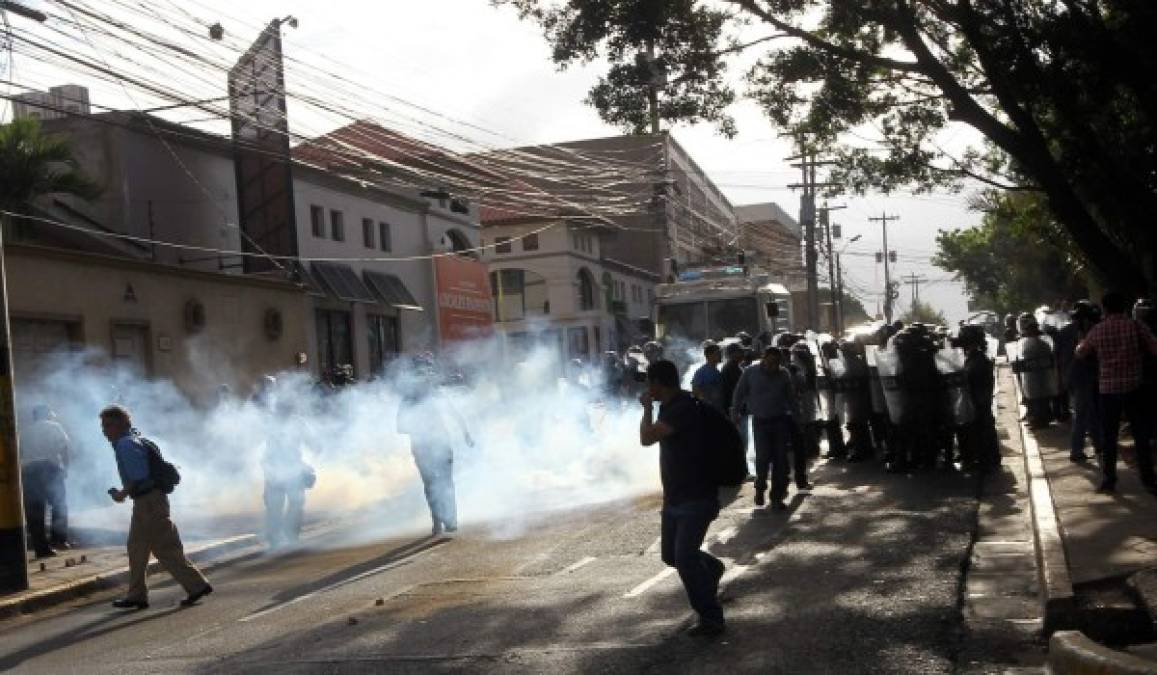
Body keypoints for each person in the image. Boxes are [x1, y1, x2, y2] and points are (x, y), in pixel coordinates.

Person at [638, 359, 725, 637]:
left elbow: (647, 438)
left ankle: (711, 617)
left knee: (685, 558)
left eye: (649, 382)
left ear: (657, 383)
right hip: (676, 498)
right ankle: (711, 568)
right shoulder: (673, 406)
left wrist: (647, 409)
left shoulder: (682, 409)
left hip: (695, 497)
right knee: (671, 556)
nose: (647, 388)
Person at [101, 405, 211, 610]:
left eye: (108, 425)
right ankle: (137, 595)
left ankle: (196, 585)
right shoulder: (138, 439)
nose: (104, 430)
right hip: (147, 502)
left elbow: (138, 476)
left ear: (121, 424)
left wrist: (121, 495)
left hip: (149, 503)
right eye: (103, 425)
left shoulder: (125, 444)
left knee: (165, 548)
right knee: (137, 548)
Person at [1076, 292, 1157, 493]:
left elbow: (1081, 352)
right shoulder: (1136, 326)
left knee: (1109, 437)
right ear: (1124, 307)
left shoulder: (1098, 330)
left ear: (1105, 308)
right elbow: (1154, 348)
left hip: (1108, 390)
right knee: (1141, 435)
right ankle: (1148, 478)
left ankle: (1109, 479)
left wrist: (1080, 342)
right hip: (1134, 388)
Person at [396, 355, 474, 535]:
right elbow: (400, 427)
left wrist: (466, 435)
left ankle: (450, 520)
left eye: (426, 373)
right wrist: (419, 427)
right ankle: (438, 520)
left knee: (445, 482)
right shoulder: (409, 399)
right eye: (420, 373)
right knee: (431, 484)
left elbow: (454, 414)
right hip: (422, 446)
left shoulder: (435, 394)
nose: (424, 377)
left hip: (441, 443)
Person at [731, 347, 799, 509]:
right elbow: (739, 393)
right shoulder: (750, 372)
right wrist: (735, 411)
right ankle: (760, 488)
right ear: (763, 359)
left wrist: (797, 417)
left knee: (780, 460)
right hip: (760, 422)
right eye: (770, 362)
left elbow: (791, 398)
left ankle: (777, 497)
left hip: (779, 421)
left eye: (776, 363)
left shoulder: (783, 375)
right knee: (762, 458)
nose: (772, 367)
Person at [262, 397, 314, 548]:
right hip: (274, 469)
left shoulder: (298, 423)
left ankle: (289, 534)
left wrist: (316, 446)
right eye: (282, 409)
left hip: (292, 469)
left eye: (287, 410)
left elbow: (311, 440)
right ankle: (275, 538)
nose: (285, 413)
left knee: (295, 502)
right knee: (275, 505)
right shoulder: (270, 423)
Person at [20, 405, 71, 557]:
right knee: (59, 504)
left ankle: (41, 549)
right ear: (47, 414)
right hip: (49, 468)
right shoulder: (55, 427)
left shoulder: (25, 432)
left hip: (28, 470)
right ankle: (59, 540)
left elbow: (20, 453)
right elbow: (64, 449)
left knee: (35, 510)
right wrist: (65, 468)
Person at [1060, 301, 1102, 462]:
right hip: (1083, 377)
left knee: (1090, 412)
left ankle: (1099, 443)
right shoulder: (1087, 332)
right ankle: (1076, 450)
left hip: (1071, 377)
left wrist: (1061, 378)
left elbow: (1058, 358)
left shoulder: (1063, 331)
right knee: (1082, 413)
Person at [959, 326, 1000, 472]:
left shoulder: (977, 360)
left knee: (980, 428)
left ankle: (985, 459)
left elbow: (973, 381)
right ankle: (989, 458)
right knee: (985, 426)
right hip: (981, 400)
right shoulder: (977, 357)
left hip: (979, 400)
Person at [691, 342, 724, 411]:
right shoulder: (701, 372)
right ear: (709, 355)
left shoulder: (717, 372)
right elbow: (695, 390)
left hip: (717, 410)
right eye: (718, 353)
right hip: (707, 411)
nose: (721, 355)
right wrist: (706, 403)